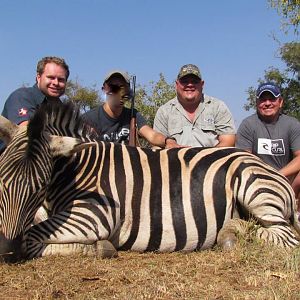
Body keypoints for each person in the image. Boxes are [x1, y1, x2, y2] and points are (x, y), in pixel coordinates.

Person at [236, 82, 300, 212]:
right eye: (263, 99)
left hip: (286, 180)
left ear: (280, 102)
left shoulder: (292, 124)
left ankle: (295, 211)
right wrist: (266, 178)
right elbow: (244, 159)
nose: (267, 103)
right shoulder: (248, 124)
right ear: (257, 103)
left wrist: (278, 176)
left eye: (272, 99)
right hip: (258, 181)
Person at [83, 70, 181, 148]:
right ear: (104, 89)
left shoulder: (133, 115)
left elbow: (152, 135)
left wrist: (167, 141)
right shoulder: (89, 118)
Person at [153, 64, 236, 147]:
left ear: (202, 84)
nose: (190, 85)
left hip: (213, 159)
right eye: (184, 81)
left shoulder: (217, 106)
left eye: (194, 81)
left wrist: (207, 158)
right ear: (176, 84)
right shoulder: (164, 111)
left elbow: (228, 141)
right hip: (175, 159)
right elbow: (157, 145)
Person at [2, 56, 69, 126]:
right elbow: (27, 131)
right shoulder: (21, 97)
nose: (56, 83)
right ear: (38, 78)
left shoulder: (64, 111)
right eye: (51, 77)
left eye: (61, 79)